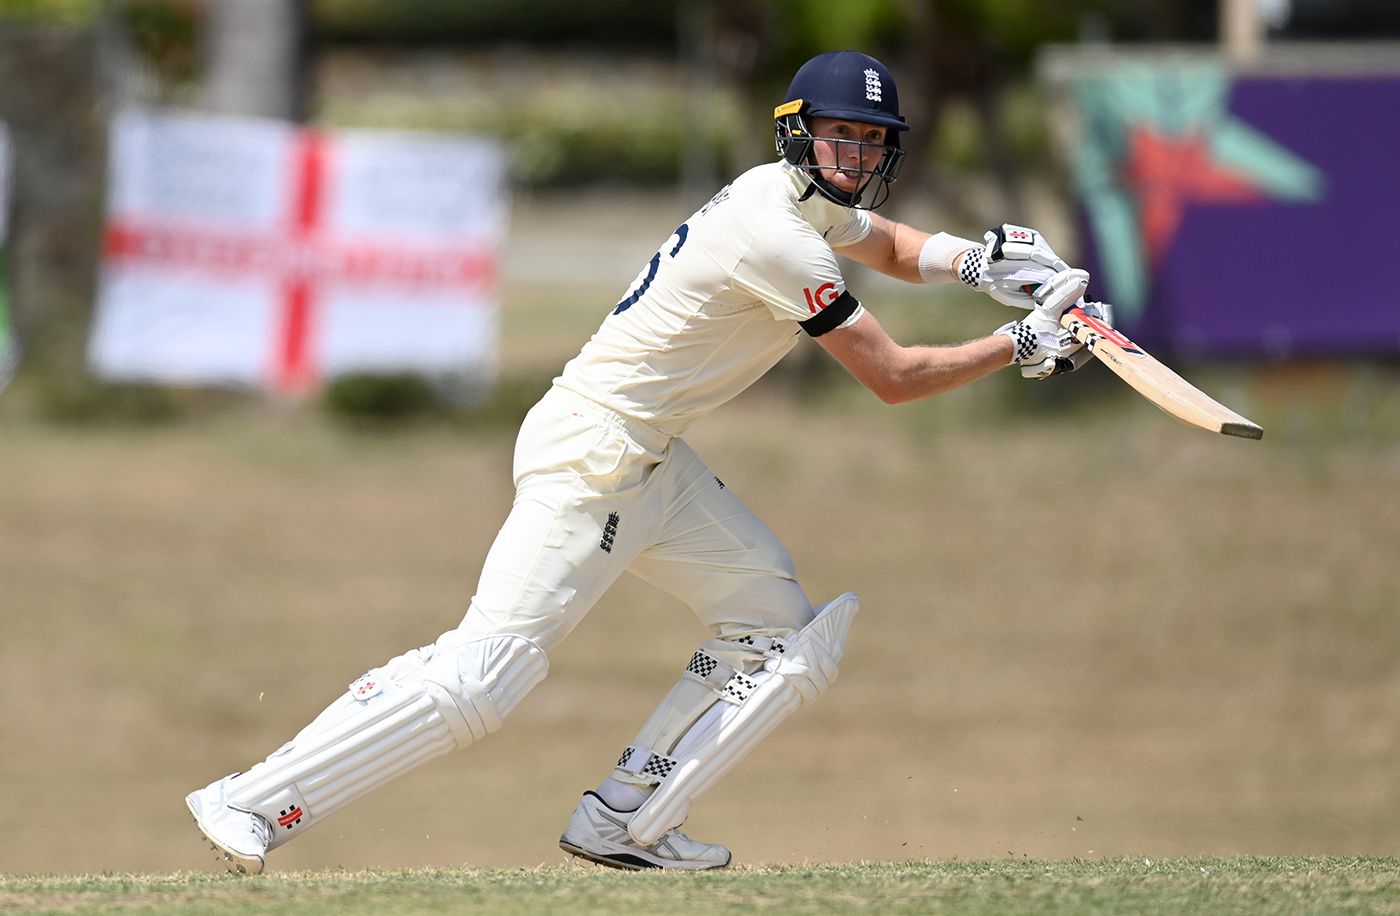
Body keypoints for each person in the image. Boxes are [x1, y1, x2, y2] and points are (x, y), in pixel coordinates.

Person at [185, 49, 1106, 875]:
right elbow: (896, 378)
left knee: (774, 631)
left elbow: (896, 244)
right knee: (484, 674)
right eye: (841, 139)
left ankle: (624, 817)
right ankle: (251, 800)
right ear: (798, 136)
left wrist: (983, 259)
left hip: (646, 456)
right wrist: (1019, 341)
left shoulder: (791, 199)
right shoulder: (775, 235)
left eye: (872, 142)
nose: (857, 159)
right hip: (594, 452)